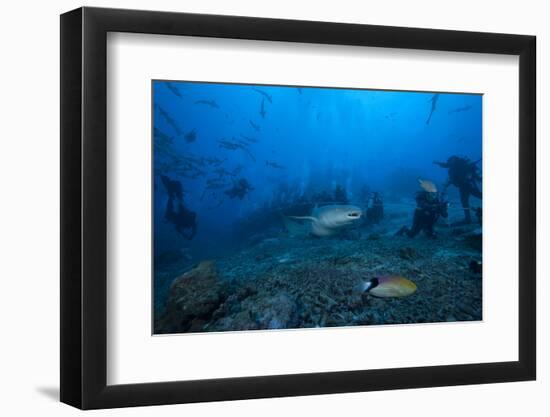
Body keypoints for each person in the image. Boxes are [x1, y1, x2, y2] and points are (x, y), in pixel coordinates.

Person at [433, 156, 481, 224]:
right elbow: (448, 169)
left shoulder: (459, 166)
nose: (449, 164)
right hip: (464, 186)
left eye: (450, 162)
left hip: (467, 186)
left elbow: (449, 169)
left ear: (453, 160)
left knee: (469, 200)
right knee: (465, 201)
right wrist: (438, 163)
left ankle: (468, 219)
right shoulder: (455, 166)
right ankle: (468, 219)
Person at [161, 175, 197, 240]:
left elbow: (178, 228)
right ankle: (172, 186)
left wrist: (187, 235)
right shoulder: (190, 220)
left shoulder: (189, 221)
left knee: (173, 200)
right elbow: (193, 229)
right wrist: (187, 235)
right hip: (176, 214)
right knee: (175, 199)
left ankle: (171, 186)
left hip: (174, 215)